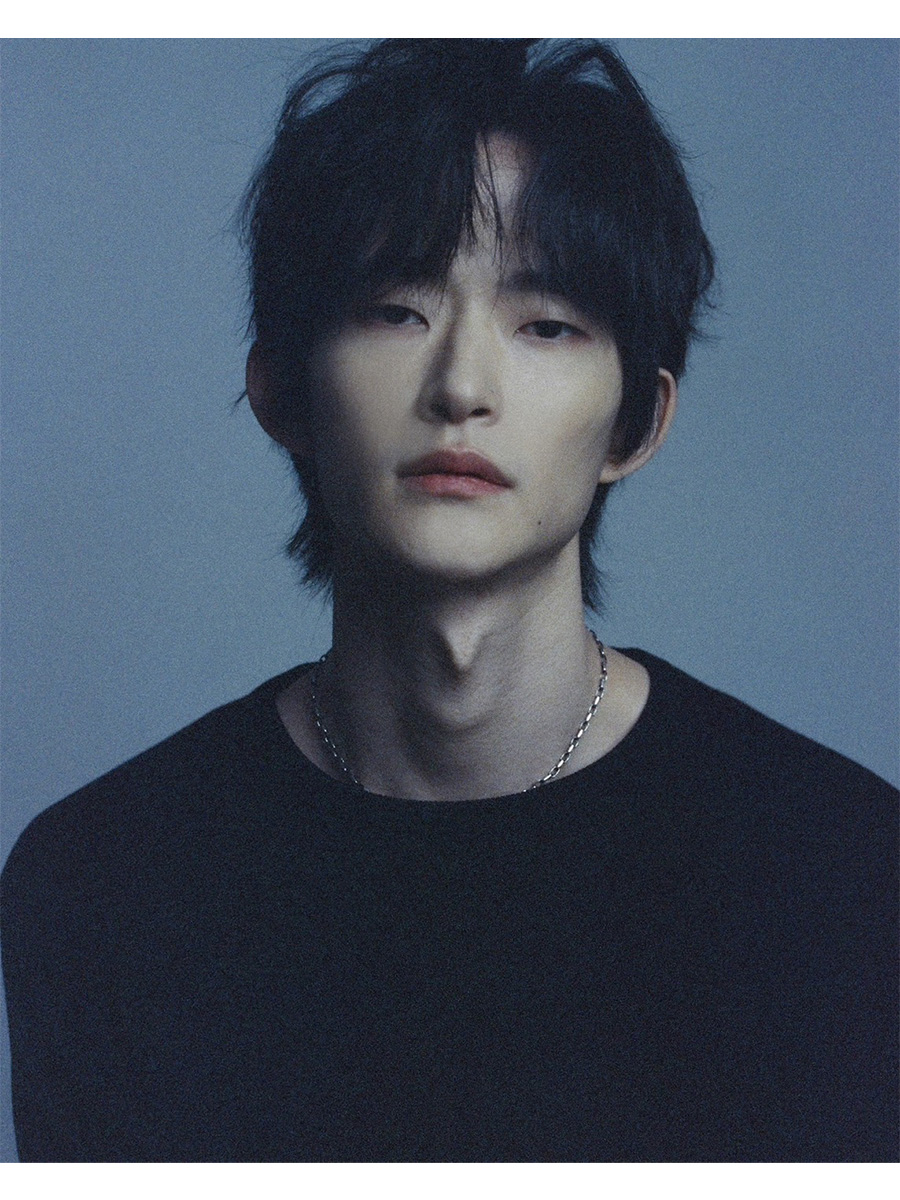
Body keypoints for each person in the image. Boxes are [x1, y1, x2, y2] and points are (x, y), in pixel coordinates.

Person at [1, 38, 896, 1163]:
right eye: (396, 308)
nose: (463, 386)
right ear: (280, 391)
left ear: (639, 422)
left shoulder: (841, 874)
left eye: (547, 324)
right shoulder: (103, 886)